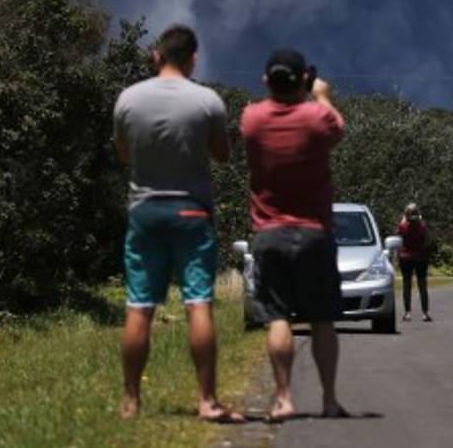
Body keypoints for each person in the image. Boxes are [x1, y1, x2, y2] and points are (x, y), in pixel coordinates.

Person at [112, 24, 242, 423]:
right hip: (192, 211)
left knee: (139, 308)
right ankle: (207, 401)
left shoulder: (128, 99)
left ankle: (131, 401)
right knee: (198, 303)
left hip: (145, 211)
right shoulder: (207, 101)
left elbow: (123, 154)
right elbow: (223, 154)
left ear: (156, 56)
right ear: (193, 59)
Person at [240, 49, 347, 422]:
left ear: (266, 80)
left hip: (270, 232)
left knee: (278, 317)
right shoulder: (318, 119)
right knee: (322, 319)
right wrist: (321, 94)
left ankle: (284, 398)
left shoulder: (252, 119)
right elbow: (337, 127)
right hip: (314, 232)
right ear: (303, 79)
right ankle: (329, 400)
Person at [396, 203, 432, 322]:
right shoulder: (422, 226)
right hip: (420, 257)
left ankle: (407, 313)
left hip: (405, 258)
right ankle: (425, 313)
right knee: (422, 285)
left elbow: (399, 238)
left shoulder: (402, 226)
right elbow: (427, 241)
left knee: (407, 284)